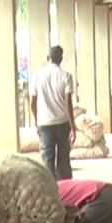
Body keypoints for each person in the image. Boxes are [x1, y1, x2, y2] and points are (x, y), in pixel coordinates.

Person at [29, 45, 77, 180]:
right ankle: (67, 190)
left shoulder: (37, 76)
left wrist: (36, 120)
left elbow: (32, 102)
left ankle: (50, 190)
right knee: (63, 160)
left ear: (47, 58)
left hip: (44, 124)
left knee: (47, 160)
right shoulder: (66, 76)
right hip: (62, 123)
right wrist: (73, 127)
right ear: (61, 59)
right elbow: (68, 104)